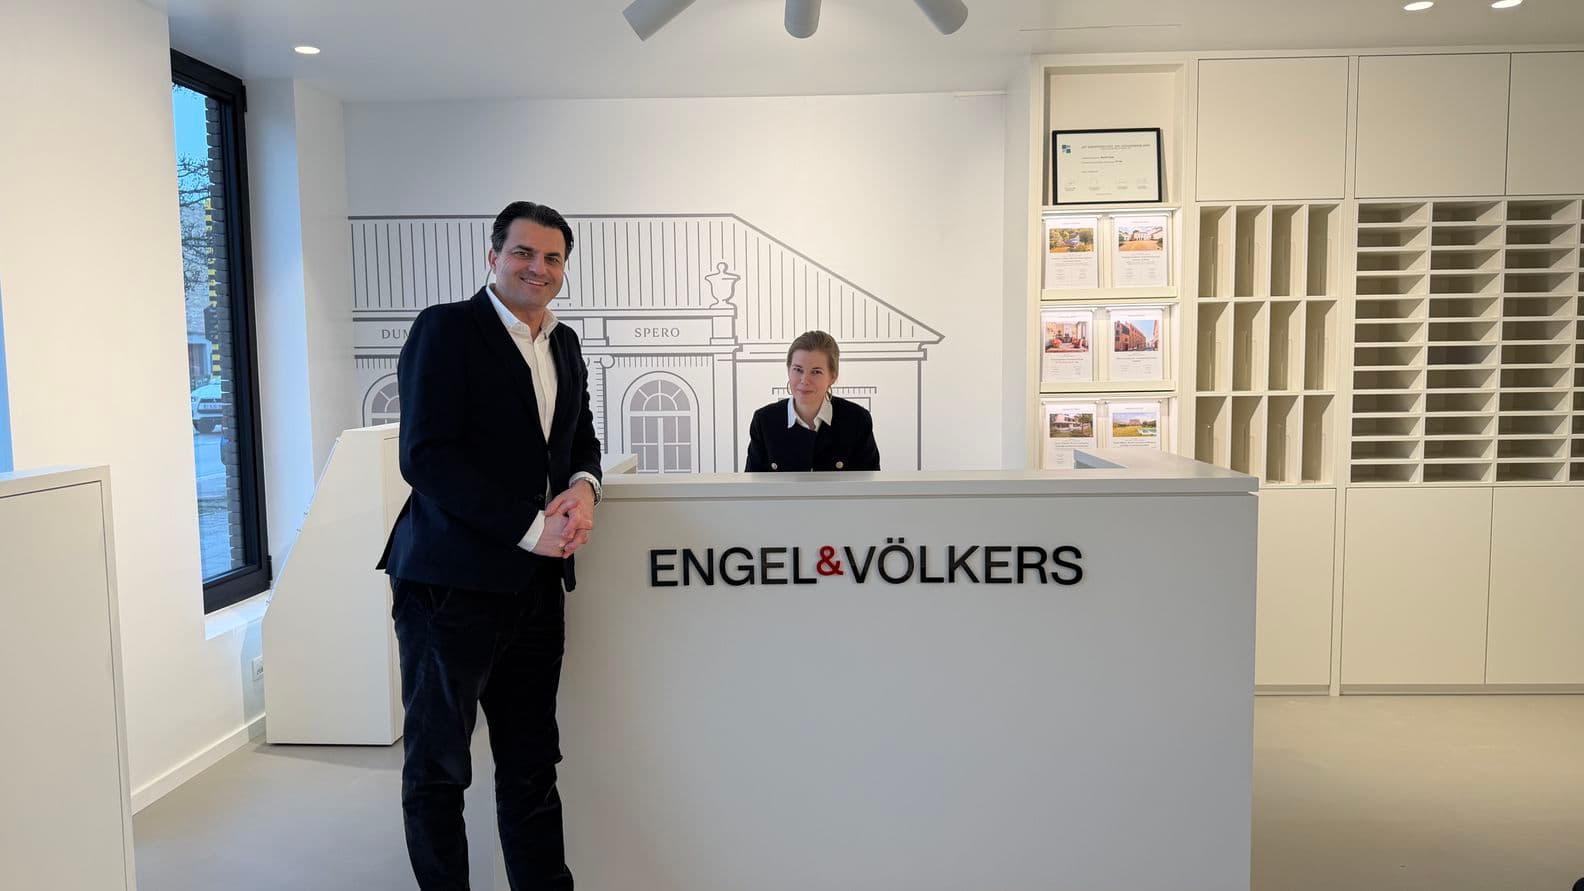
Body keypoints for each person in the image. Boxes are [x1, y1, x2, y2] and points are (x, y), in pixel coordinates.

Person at [376, 201, 602, 890]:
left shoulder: (561, 342)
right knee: (440, 767)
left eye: (553, 257)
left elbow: (579, 437)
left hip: (536, 591)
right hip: (450, 588)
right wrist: (534, 528)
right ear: (492, 256)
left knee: (533, 762)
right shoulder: (446, 329)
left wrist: (586, 487)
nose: (539, 267)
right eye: (524, 253)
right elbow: (427, 455)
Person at [744, 330, 880, 472]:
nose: (804, 380)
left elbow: (869, 489)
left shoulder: (857, 420)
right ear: (788, 371)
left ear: (832, 376)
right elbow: (753, 489)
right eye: (798, 369)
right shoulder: (764, 421)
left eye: (816, 372)